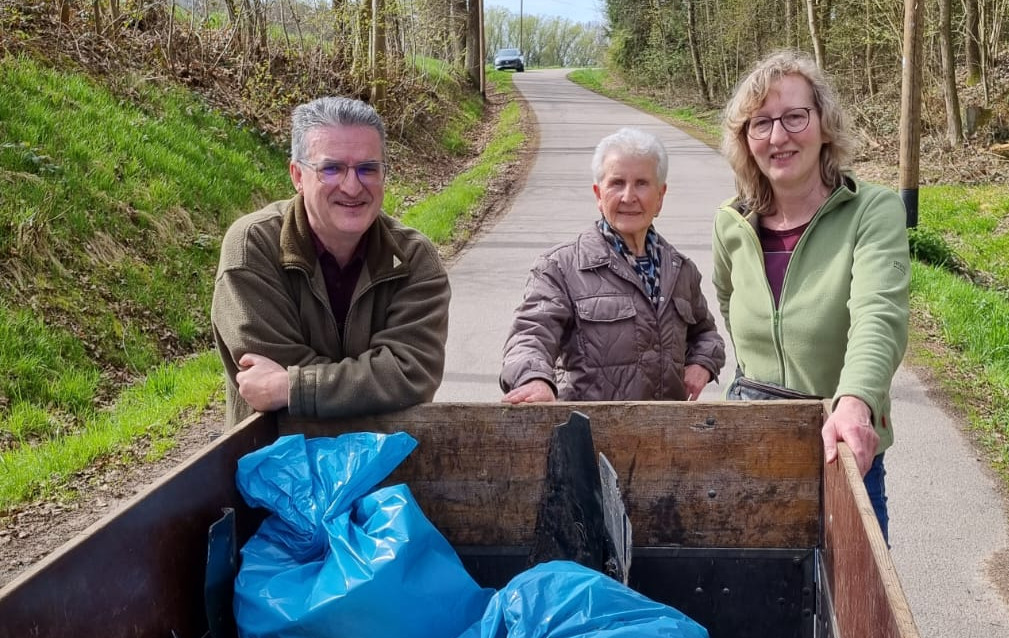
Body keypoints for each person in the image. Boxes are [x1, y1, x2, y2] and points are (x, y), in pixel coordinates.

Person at [713, 50, 909, 540]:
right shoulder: (730, 223)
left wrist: (856, 402)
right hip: (754, 451)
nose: (778, 137)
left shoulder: (874, 211)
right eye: (761, 124)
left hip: (840, 451)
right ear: (746, 141)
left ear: (825, 125)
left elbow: (878, 315)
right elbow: (727, 305)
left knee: (853, 611)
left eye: (795, 117)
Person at [211, 96, 450, 428]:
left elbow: (410, 374)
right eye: (331, 168)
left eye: (368, 169)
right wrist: (372, 389)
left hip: (386, 467)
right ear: (297, 175)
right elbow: (268, 392)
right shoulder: (253, 248)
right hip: (279, 469)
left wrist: (293, 387)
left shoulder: (413, 259)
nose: (352, 187)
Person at [500, 127, 725, 403]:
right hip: (590, 438)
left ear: (660, 196)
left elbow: (706, 333)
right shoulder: (560, 268)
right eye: (617, 183)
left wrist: (703, 362)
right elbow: (529, 335)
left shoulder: (680, 270)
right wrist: (533, 379)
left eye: (642, 183)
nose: (628, 196)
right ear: (598, 194)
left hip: (667, 437)